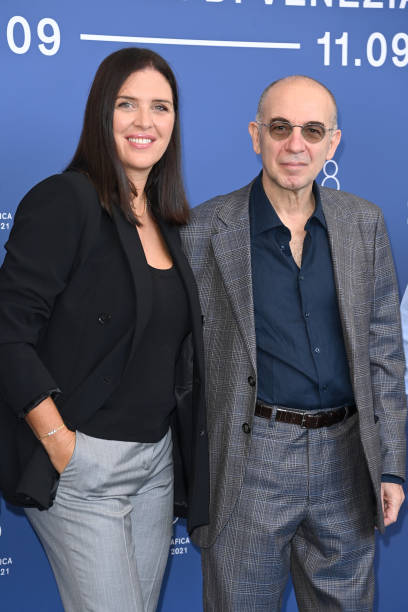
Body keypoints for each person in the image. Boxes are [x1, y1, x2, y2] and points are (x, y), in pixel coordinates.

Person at [181, 75, 406, 611]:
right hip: (249, 460)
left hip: (347, 461)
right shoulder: (204, 229)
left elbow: (384, 354)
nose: (295, 144)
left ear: (333, 142)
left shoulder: (364, 224)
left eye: (312, 130)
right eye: (280, 128)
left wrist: (392, 463)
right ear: (256, 135)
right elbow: (182, 363)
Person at [0, 47, 209, 612]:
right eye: (127, 104)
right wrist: (59, 443)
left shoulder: (166, 220)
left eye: (160, 107)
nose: (145, 122)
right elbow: (7, 333)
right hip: (81, 466)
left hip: (156, 469)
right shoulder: (64, 200)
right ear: (101, 113)